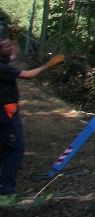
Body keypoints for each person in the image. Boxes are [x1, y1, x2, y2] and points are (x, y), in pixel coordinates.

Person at [0, 30, 62, 204]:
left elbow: (15, 55)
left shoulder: (3, 61)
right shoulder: (1, 68)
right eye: (6, 46)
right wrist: (49, 64)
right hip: (5, 113)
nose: (10, 47)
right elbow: (29, 75)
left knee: (6, 149)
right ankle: (5, 193)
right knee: (16, 149)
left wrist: (13, 37)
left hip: (7, 111)